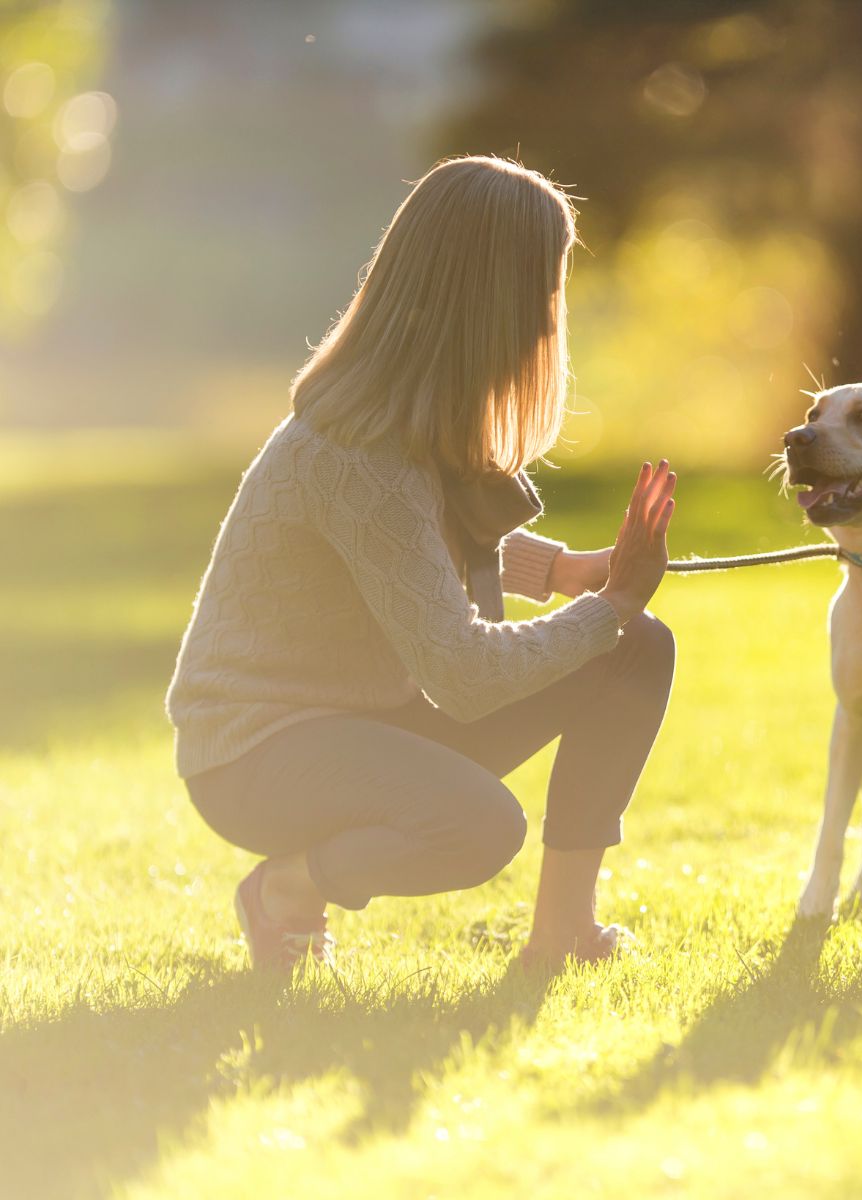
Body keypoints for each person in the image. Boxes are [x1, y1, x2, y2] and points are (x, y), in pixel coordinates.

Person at [163, 155, 677, 974]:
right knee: (479, 827)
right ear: (491, 299)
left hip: (366, 714)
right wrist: (606, 608)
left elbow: (402, 553)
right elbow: (463, 671)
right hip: (256, 753)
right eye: (545, 287)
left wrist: (568, 577)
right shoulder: (356, 453)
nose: (552, 319)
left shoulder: (410, 427)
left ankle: (562, 936)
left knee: (637, 649)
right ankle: (286, 891)